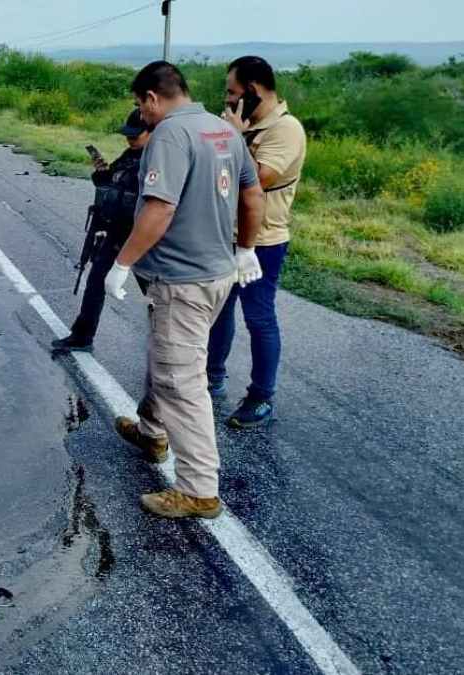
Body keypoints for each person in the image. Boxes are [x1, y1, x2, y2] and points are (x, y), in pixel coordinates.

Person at [105, 61, 266, 519]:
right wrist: (245, 249)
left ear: (153, 98)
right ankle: (151, 432)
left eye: (141, 105)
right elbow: (252, 194)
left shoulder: (170, 135)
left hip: (182, 281)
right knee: (169, 354)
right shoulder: (223, 130)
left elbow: (159, 209)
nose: (142, 114)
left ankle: (199, 489)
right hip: (216, 272)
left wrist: (122, 263)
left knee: (181, 378)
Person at [206, 56, 307, 428]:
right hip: (227, 235)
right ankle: (211, 377)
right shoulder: (243, 124)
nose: (227, 99)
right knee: (218, 310)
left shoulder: (285, 129)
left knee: (259, 317)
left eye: (232, 92)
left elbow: (259, 178)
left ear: (252, 90)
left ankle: (261, 397)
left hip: (263, 241)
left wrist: (233, 137)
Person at [51, 109, 151, 352]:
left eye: (135, 135)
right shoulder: (129, 154)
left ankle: (165, 342)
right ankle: (82, 336)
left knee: (155, 292)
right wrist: (102, 172)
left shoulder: (158, 157)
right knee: (96, 280)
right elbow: (109, 183)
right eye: (128, 135)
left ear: (151, 132)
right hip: (116, 228)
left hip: (142, 233)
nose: (129, 139)